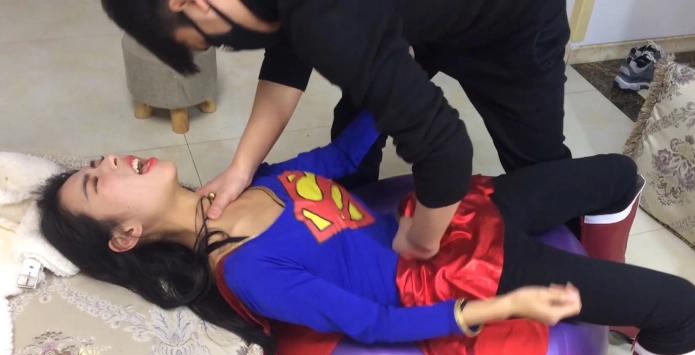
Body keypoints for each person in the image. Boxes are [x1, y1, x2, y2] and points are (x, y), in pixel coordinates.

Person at [38, 111, 695, 355]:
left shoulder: (243, 183)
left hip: (448, 219)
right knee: (686, 309)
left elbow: (341, 156)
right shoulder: (246, 266)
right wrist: (499, 306)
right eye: (98, 181)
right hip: (455, 276)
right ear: (125, 236)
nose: (113, 159)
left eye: (100, 161)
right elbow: (372, 321)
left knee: (617, 174)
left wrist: (403, 74)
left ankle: (618, 310)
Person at [99, 0, 577, 262]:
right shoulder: (299, 16)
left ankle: (592, 250)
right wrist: (242, 167)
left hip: (511, 24)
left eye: (203, 42)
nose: (217, 45)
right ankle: (361, 214)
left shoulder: (328, 18)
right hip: (408, 21)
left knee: (537, 159)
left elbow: (446, 147)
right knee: (358, 119)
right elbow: (285, 51)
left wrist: (420, 242)